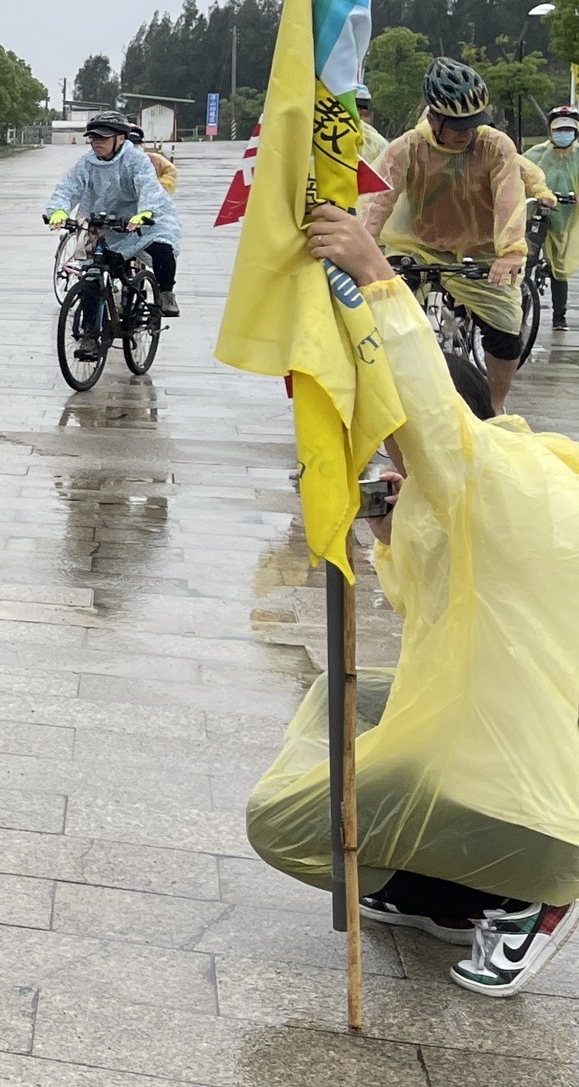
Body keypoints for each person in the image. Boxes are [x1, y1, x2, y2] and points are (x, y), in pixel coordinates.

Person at [241, 203, 579, 999]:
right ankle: (450, 891)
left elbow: (428, 408)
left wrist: (374, 273)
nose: (384, 451)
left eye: (386, 435)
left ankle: (541, 893)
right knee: (346, 698)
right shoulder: (509, 478)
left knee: (283, 823)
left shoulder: (476, 473)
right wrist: (393, 528)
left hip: (540, 794)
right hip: (531, 731)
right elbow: (428, 605)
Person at [361, 57, 531, 410]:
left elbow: (510, 200)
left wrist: (512, 252)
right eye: (457, 125)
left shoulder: (495, 147)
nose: (466, 133)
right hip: (416, 247)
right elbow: (377, 202)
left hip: (482, 253)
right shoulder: (407, 147)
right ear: (434, 118)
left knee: (506, 332)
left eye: (474, 124)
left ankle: (495, 408)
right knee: (379, 313)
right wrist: (362, 251)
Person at [44, 111, 183, 320]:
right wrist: (58, 210)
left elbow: (148, 186)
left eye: (103, 137)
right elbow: (68, 187)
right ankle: (89, 337)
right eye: (93, 137)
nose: (96, 142)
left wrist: (144, 212)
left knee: (162, 247)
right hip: (104, 224)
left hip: (142, 220)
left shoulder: (137, 160)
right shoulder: (87, 163)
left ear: (120, 138)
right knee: (92, 275)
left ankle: (166, 293)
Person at [526, 104, 579, 330]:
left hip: (565, 219)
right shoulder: (536, 154)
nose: (563, 134)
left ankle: (560, 316)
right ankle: (519, 306)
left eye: (568, 129)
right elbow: (520, 174)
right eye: (558, 129)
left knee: (560, 266)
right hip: (536, 214)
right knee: (526, 258)